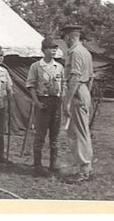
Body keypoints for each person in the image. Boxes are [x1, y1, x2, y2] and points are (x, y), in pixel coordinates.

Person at [26, 37, 65, 177]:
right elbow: (30, 86)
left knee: (55, 135)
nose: (54, 50)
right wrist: (36, 102)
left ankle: (53, 164)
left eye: (55, 48)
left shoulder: (59, 67)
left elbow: (63, 85)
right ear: (44, 50)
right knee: (40, 135)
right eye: (50, 48)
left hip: (56, 102)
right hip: (43, 102)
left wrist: (62, 101)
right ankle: (37, 165)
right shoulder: (36, 66)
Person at [61, 25, 94, 183]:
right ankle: (86, 168)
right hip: (83, 91)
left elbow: (74, 78)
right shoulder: (86, 52)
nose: (65, 41)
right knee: (82, 131)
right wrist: (86, 95)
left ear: (70, 37)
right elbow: (91, 77)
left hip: (77, 92)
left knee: (79, 133)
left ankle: (84, 171)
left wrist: (67, 102)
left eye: (65, 38)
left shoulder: (75, 52)